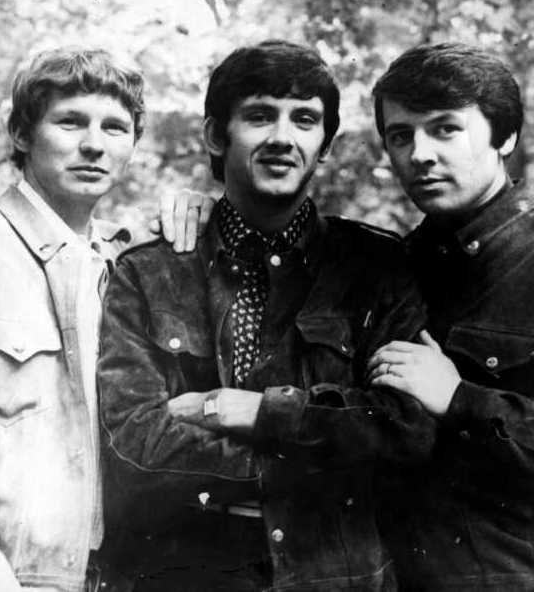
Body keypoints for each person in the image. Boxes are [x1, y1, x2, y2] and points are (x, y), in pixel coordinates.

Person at [97, 39, 436, 592]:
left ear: (325, 145)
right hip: (187, 575)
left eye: (304, 119)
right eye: (259, 116)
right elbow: (133, 442)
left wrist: (258, 414)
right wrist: (319, 457)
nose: (283, 137)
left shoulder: (377, 268)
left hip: (337, 578)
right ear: (215, 134)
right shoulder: (149, 272)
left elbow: (407, 429)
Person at [0, 47, 207, 592]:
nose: (94, 144)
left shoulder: (131, 266)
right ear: (23, 134)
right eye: (70, 122)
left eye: (115, 127)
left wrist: (207, 211)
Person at [368, 42, 534, 591]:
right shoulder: (387, 266)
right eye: (400, 136)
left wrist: (460, 399)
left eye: (446, 129)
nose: (420, 154)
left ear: (505, 137)